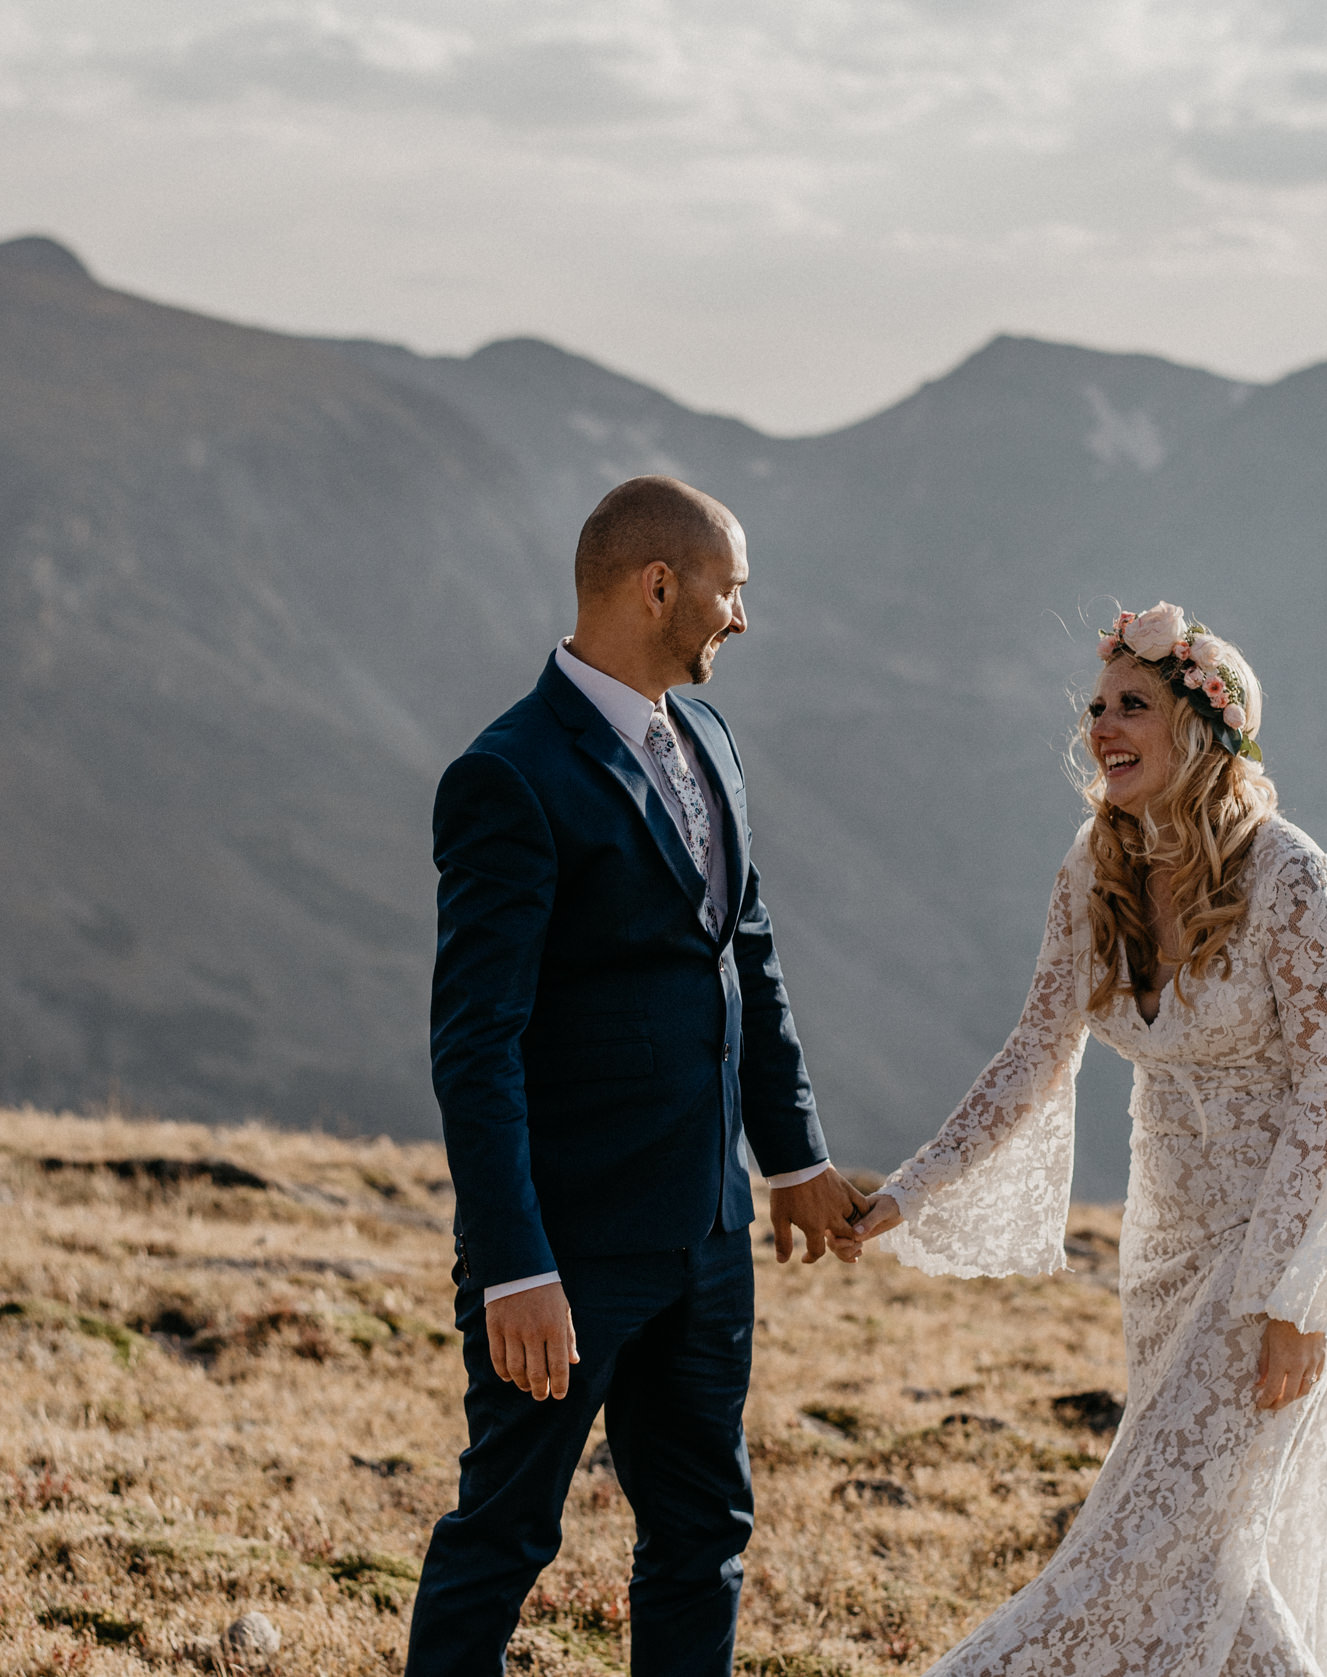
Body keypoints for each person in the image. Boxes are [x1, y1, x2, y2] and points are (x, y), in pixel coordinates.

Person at [847, 601, 1327, 1677]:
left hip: (1291, 1231)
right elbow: (1032, 1054)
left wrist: (1292, 1298)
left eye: (1132, 704)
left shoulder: (1295, 882)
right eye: (1095, 708)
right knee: (1196, 1543)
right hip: (1170, 1237)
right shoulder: (1093, 868)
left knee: (1153, 1540)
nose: (1101, 726)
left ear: (1203, 730)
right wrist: (907, 1192)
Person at [408, 475, 872, 1677]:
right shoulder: (508, 775)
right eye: (732, 587)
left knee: (703, 1534)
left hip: (709, 1237)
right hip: (569, 1249)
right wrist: (515, 1264)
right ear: (657, 584)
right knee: (507, 1533)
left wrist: (796, 1158)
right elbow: (475, 1041)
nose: (742, 616)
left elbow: (744, 957)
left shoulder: (708, 737)